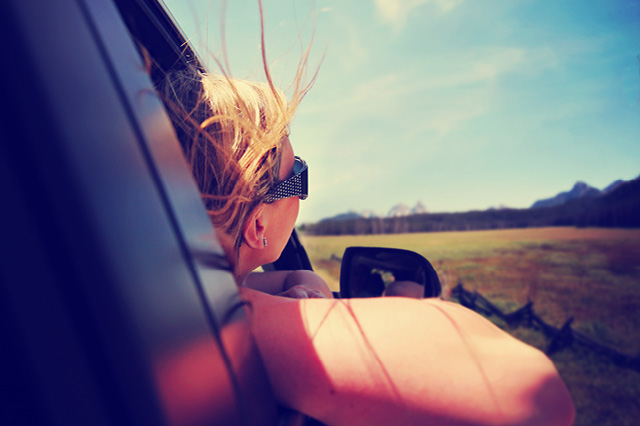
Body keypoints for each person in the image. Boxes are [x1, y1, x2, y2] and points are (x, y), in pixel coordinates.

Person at [160, 67, 575, 425]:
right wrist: (314, 318)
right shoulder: (217, 327)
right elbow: (536, 394)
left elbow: (290, 277)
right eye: (297, 175)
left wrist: (309, 289)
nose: (302, 193)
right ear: (257, 225)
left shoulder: (185, 295)